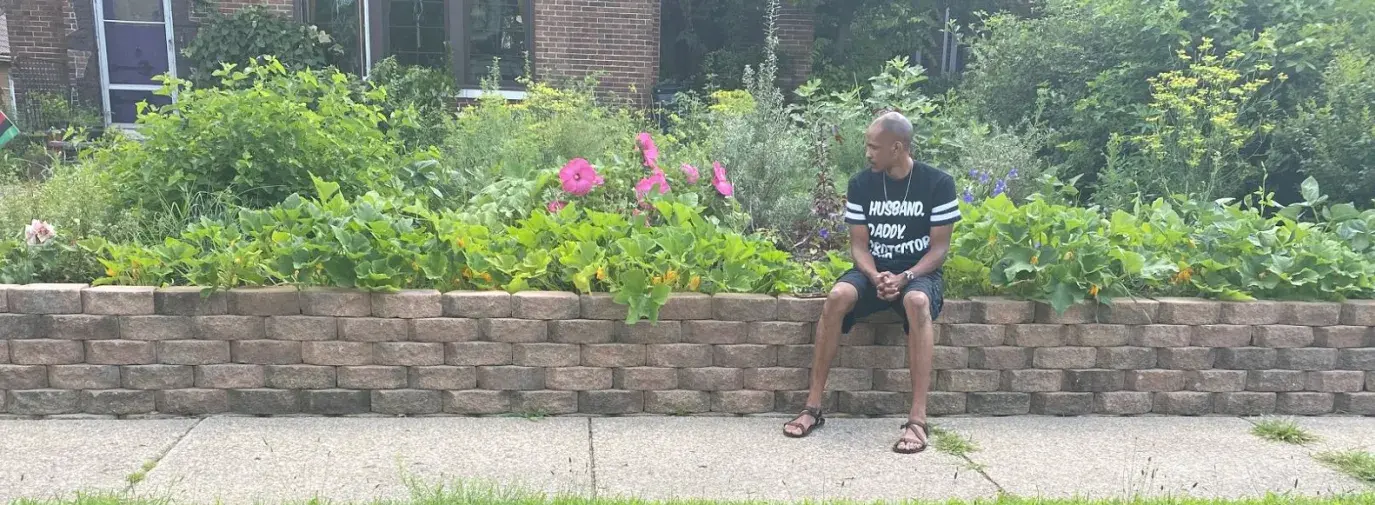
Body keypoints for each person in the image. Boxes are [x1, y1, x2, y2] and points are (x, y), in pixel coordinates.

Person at [782, 111, 961, 454]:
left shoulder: (938, 184)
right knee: (837, 296)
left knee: (916, 302)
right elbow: (858, 247)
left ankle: (917, 419)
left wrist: (907, 276)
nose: (867, 153)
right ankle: (812, 407)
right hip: (873, 273)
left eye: (873, 147)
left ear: (897, 147)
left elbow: (939, 250)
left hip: (918, 274)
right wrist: (874, 274)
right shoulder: (861, 183)